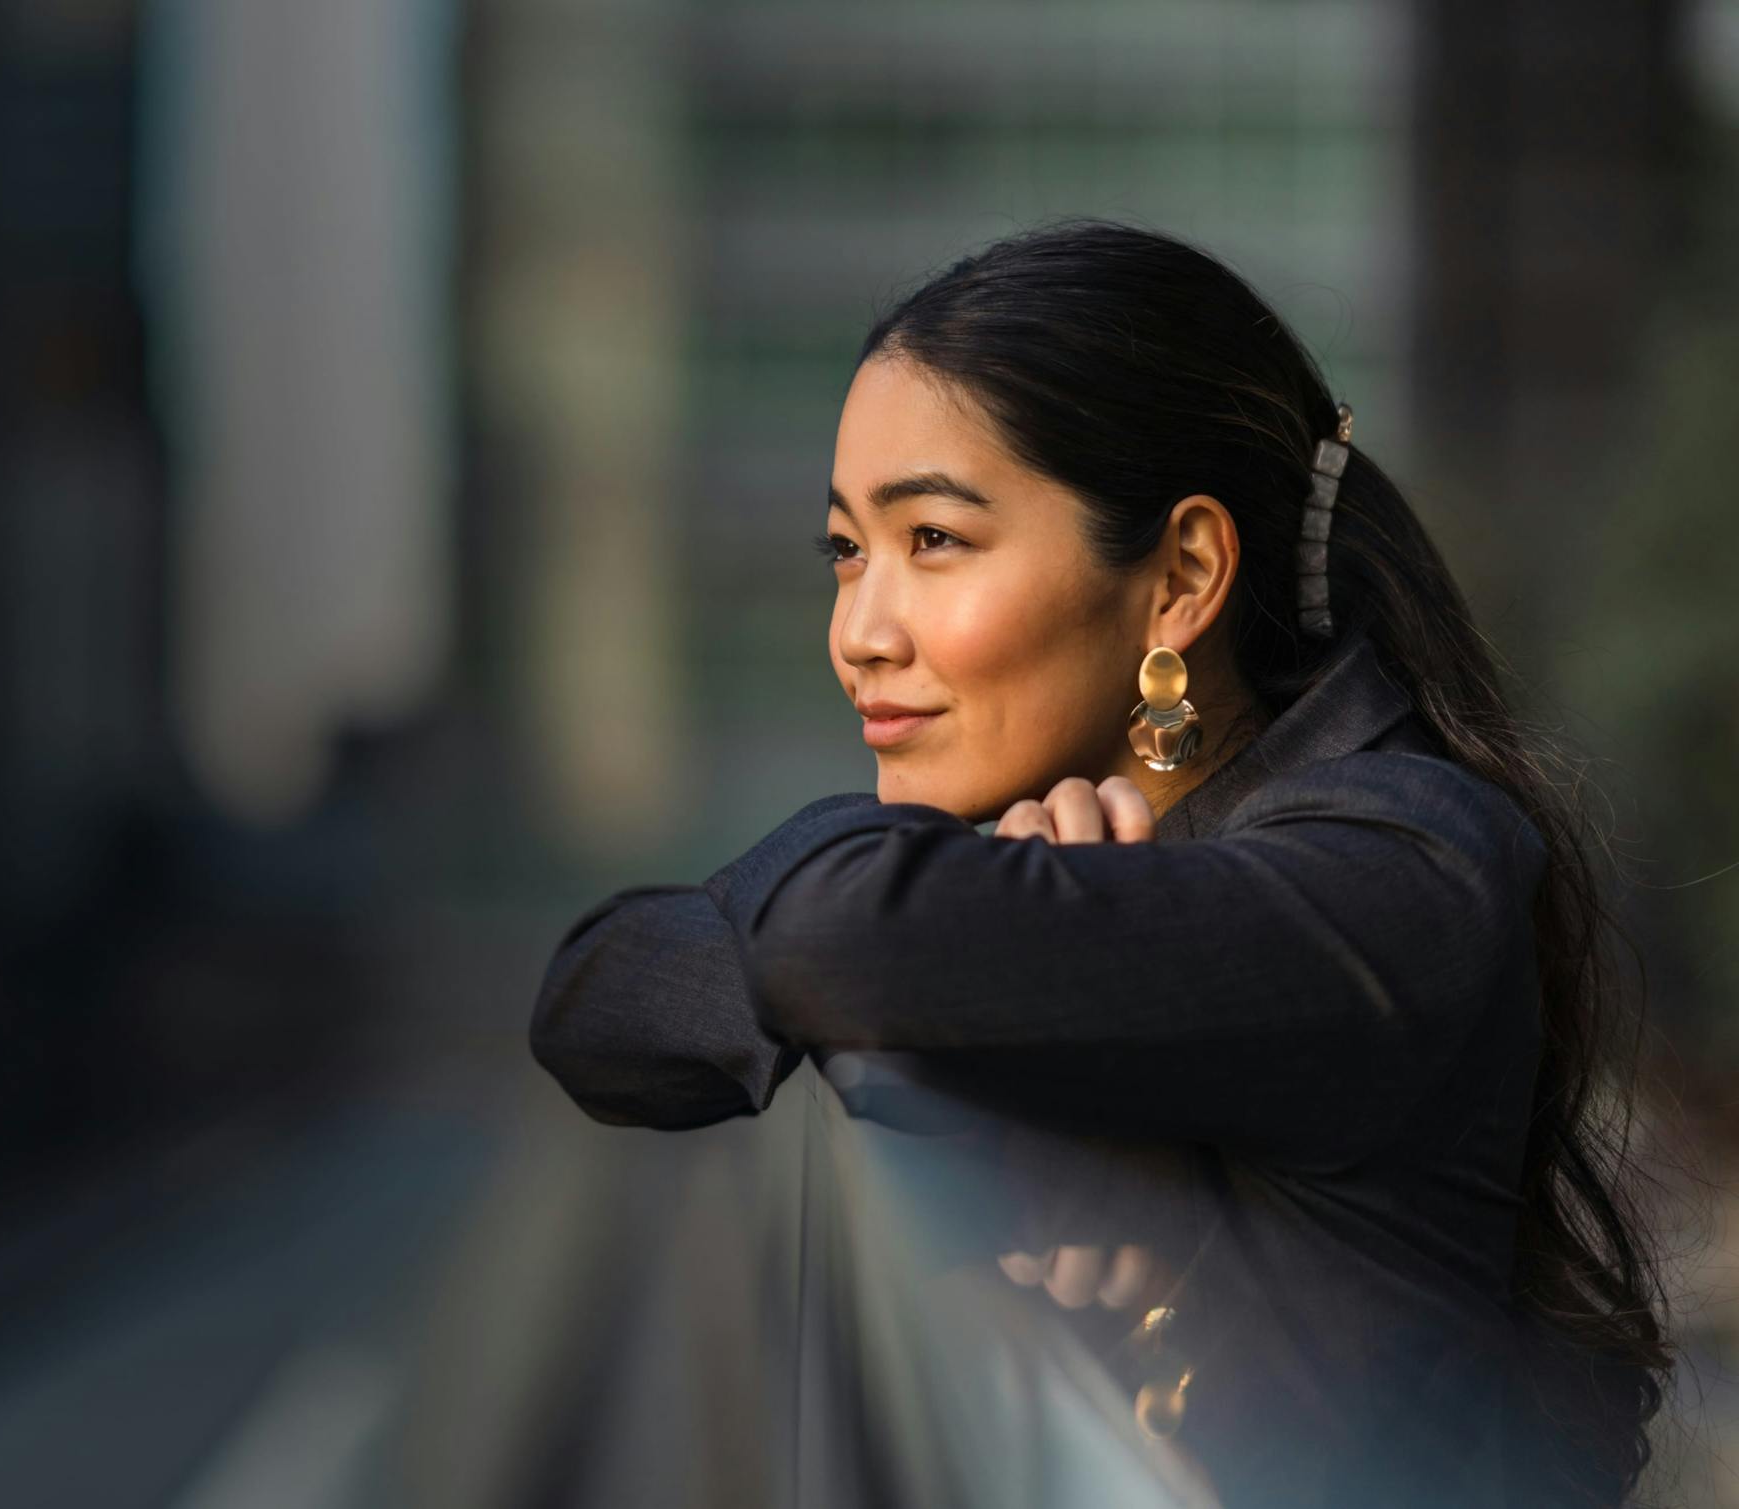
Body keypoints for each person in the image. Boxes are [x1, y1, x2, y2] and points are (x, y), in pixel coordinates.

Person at [528, 220, 1674, 1507]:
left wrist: (959, 950)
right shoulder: (1035, 848)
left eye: (936, 542)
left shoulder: (1404, 866)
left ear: (1180, 575)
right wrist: (994, 941)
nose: (859, 632)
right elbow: (594, 1002)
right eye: (846, 550)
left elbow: (831, 945)